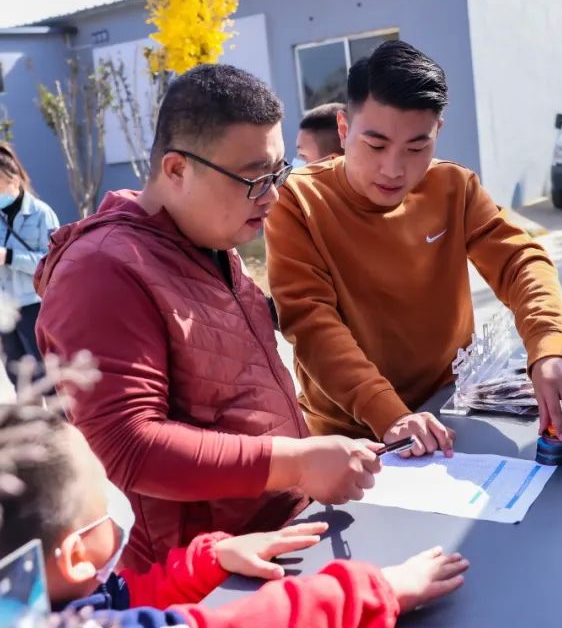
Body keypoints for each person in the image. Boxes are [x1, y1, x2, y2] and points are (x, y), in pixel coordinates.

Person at [34, 64, 383, 573]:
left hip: (279, 536)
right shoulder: (102, 271)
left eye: (278, 173)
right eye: (254, 178)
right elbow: (127, 446)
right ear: (176, 169)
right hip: (205, 576)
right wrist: (297, 463)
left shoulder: (209, 239)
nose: (273, 195)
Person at [265, 40, 562, 455]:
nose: (394, 169)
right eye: (376, 145)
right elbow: (311, 324)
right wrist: (390, 415)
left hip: (451, 409)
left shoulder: (453, 187)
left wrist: (550, 348)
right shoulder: (299, 202)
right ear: (344, 130)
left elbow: (520, 260)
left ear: (437, 132)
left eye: (417, 148)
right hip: (353, 434)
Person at [0, 405, 469, 628]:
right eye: (103, 519)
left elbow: (122, 598)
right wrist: (378, 589)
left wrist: (208, 560)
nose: (118, 530)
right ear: (72, 555)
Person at [0, 143, 60, 387]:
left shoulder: (41, 213)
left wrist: (10, 257)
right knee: (19, 380)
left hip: (33, 307)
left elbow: (53, 263)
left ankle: (57, 425)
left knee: (46, 379)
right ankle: (28, 424)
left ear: (14, 181)